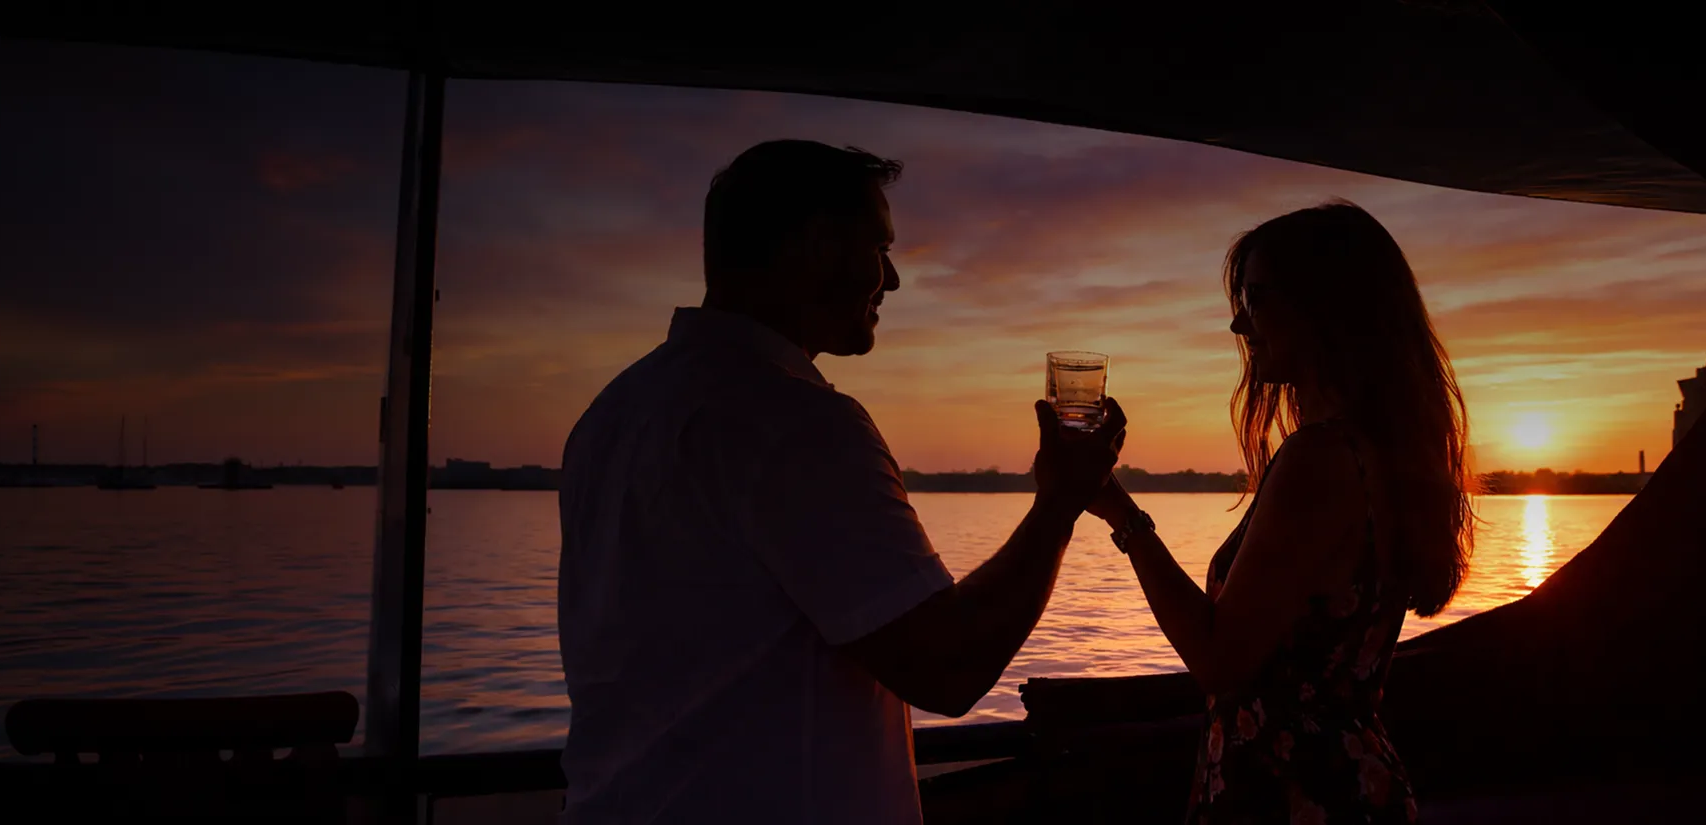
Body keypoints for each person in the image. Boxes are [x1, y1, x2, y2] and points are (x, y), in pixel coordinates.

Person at [556, 139, 1127, 824]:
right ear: (817, 245)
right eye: (878, 249)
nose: (891, 280)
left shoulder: (616, 411)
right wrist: (1060, 502)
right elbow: (950, 666)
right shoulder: (795, 422)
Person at [1088, 201, 1474, 824]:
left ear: (1326, 306)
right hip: (1347, 783)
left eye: (1259, 298)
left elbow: (1220, 659)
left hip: (1291, 795)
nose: (1240, 324)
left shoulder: (1320, 460)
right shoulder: (1377, 451)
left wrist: (1123, 519)